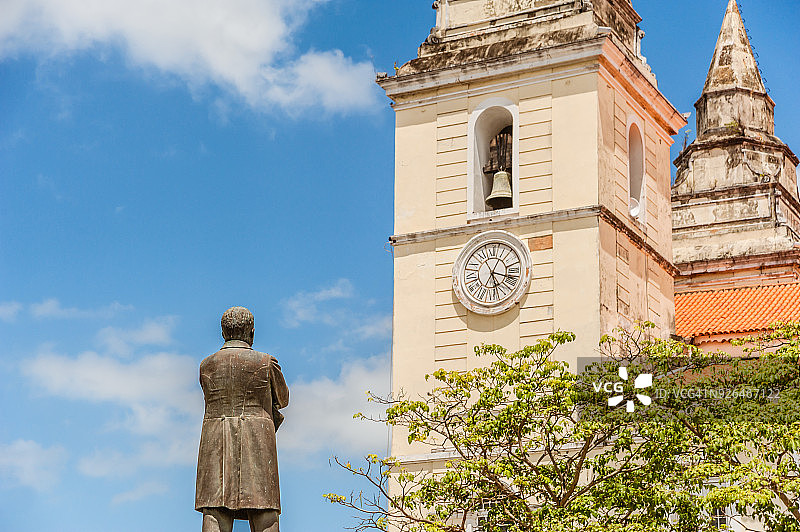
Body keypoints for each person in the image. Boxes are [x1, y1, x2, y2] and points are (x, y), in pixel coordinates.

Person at [195, 306, 289, 532]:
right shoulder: (266, 362)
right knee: (264, 509)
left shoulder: (207, 364)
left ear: (223, 332)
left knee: (215, 511)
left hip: (215, 442)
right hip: (258, 441)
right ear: (252, 332)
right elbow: (283, 398)